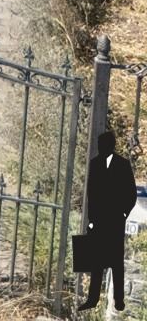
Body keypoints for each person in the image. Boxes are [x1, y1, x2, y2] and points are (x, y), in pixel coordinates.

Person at [86, 129, 135, 312]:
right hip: (99, 220)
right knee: (96, 261)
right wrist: (91, 219)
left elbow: (131, 193)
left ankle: (118, 300)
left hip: (115, 221)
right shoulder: (95, 164)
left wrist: (123, 214)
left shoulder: (123, 165)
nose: (101, 148)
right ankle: (92, 299)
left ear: (111, 146)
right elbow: (91, 194)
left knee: (116, 262)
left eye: (103, 144)